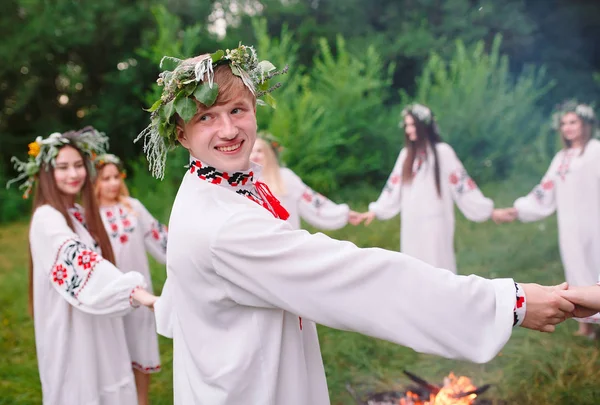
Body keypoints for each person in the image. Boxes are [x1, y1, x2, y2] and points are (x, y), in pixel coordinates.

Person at [135, 45, 582, 405]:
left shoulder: (209, 188)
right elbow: (360, 282)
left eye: (237, 110)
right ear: (180, 134)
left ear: (255, 108)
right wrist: (509, 303)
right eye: (206, 117)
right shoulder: (224, 226)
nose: (228, 129)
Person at [7, 128, 157, 405]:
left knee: (109, 385)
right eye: (62, 167)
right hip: (71, 329)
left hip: (97, 322)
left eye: (78, 166)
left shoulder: (77, 214)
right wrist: (139, 295)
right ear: (46, 174)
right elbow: (80, 262)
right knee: (81, 389)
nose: (73, 174)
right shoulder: (46, 218)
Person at [354, 104, 510, 273]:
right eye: (406, 125)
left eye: (412, 125)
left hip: (436, 223)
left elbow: (462, 185)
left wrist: (487, 211)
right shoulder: (406, 156)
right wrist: (376, 210)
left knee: (438, 267)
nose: (408, 130)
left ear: (424, 126)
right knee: (414, 267)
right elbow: (393, 186)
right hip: (412, 223)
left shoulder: (443, 153)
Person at [495, 101, 600, 337]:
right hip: (570, 225)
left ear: (585, 124)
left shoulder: (596, 151)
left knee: (596, 266)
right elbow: (545, 189)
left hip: (595, 222)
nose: (568, 127)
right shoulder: (562, 158)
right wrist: (517, 210)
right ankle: (586, 326)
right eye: (564, 123)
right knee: (576, 268)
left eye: (573, 122)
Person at [94, 153, 167, 405]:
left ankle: (142, 400)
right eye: (106, 179)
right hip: (110, 294)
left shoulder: (132, 207)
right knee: (114, 349)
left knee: (140, 344)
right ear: (95, 183)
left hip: (139, 291)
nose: (113, 183)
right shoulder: (89, 216)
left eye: (116, 177)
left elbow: (160, 239)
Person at [249, 133, 359, 230]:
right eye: (251, 152)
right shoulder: (243, 181)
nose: (255, 155)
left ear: (269, 154)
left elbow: (311, 200)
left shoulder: (285, 176)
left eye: (259, 151)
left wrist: (343, 214)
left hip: (287, 239)